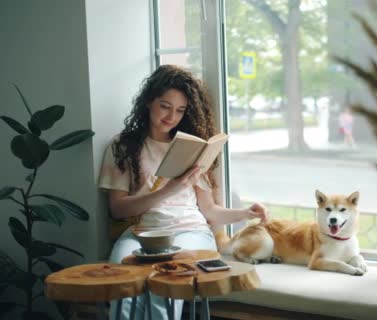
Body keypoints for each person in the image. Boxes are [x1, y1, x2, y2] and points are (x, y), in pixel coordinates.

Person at [98, 65, 268, 319]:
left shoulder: (190, 148)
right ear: (148, 102)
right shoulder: (123, 146)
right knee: (122, 287)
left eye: (180, 110)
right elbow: (118, 208)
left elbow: (209, 211)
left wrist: (246, 213)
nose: (171, 117)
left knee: (166, 287)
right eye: (165, 106)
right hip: (140, 232)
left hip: (190, 230)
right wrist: (168, 190)